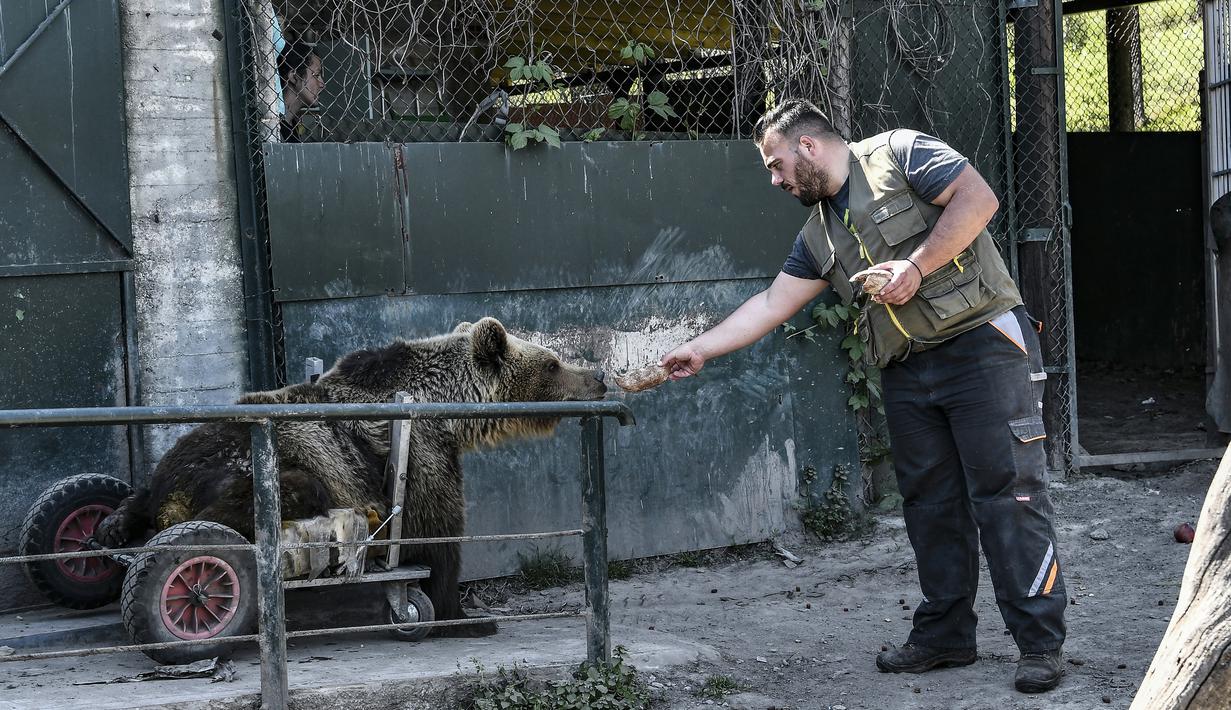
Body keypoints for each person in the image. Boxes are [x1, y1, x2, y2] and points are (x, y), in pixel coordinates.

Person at [659, 99, 1067, 694]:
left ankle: (1040, 644)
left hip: (982, 346)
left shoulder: (902, 154)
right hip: (906, 368)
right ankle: (946, 635)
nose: (775, 180)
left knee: (1010, 496)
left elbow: (979, 198)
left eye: (775, 165)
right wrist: (701, 349)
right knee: (929, 503)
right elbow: (773, 304)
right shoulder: (817, 234)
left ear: (807, 147)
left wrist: (917, 267)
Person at [277, 41, 324, 143]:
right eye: (316, 75)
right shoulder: (274, 126)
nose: (322, 84)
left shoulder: (292, 125)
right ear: (294, 77)